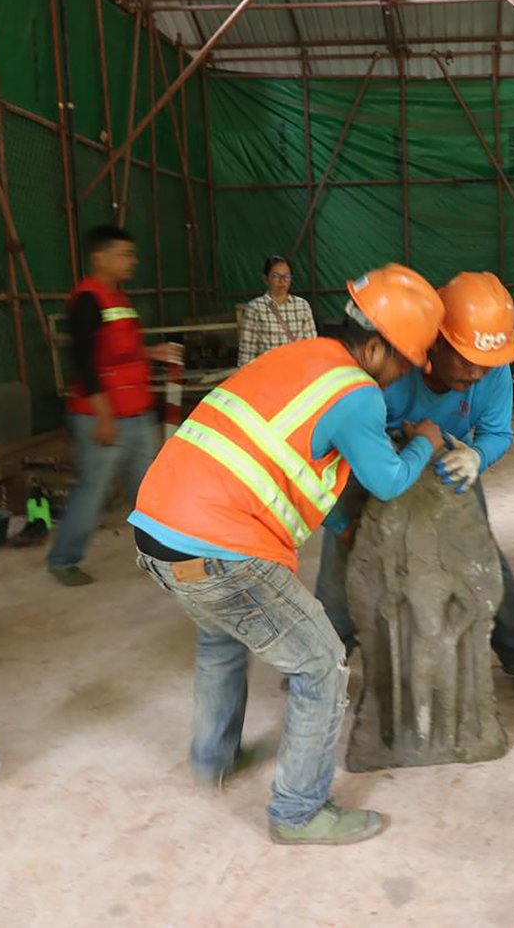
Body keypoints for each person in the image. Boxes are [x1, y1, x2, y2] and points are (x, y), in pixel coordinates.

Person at [129, 264, 445, 846]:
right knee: (322, 664)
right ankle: (298, 812)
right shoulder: (356, 394)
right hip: (220, 546)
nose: (402, 376)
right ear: (374, 347)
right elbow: (389, 479)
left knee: (221, 634)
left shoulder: (297, 358)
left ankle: (213, 758)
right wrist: (426, 437)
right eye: (403, 362)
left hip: (156, 532)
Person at [315, 272, 514, 705]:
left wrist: (476, 457)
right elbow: (350, 433)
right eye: (466, 359)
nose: (476, 373)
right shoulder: (394, 362)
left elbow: (498, 433)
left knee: (483, 558)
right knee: (343, 557)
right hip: (374, 465)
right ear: (435, 344)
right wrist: (400, 448)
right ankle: (325, 661)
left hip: (449, 465)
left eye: (485, 364)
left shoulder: (492, 372)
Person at [47, 225, 182, 587]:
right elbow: (85, 363)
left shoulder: (119, 300)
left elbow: (120, 350)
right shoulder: (87, 300)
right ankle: (63, 559)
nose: (131, 261)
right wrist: (104, 418)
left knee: (149, 489)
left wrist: (151, 352)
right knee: (92, 492)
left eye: (132, 254)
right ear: (99, 257)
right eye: (124, 254)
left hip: (136, 413)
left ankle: (166, 554)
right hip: (102, 416)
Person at [237, 255, 317, 366]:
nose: (282, 280)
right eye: (276, 276)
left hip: (297, 372)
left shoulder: (302, 306)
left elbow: (311, 346)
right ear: (266, 279)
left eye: (287, 276)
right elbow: (247, 353)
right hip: (268, 373)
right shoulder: (255, 308)